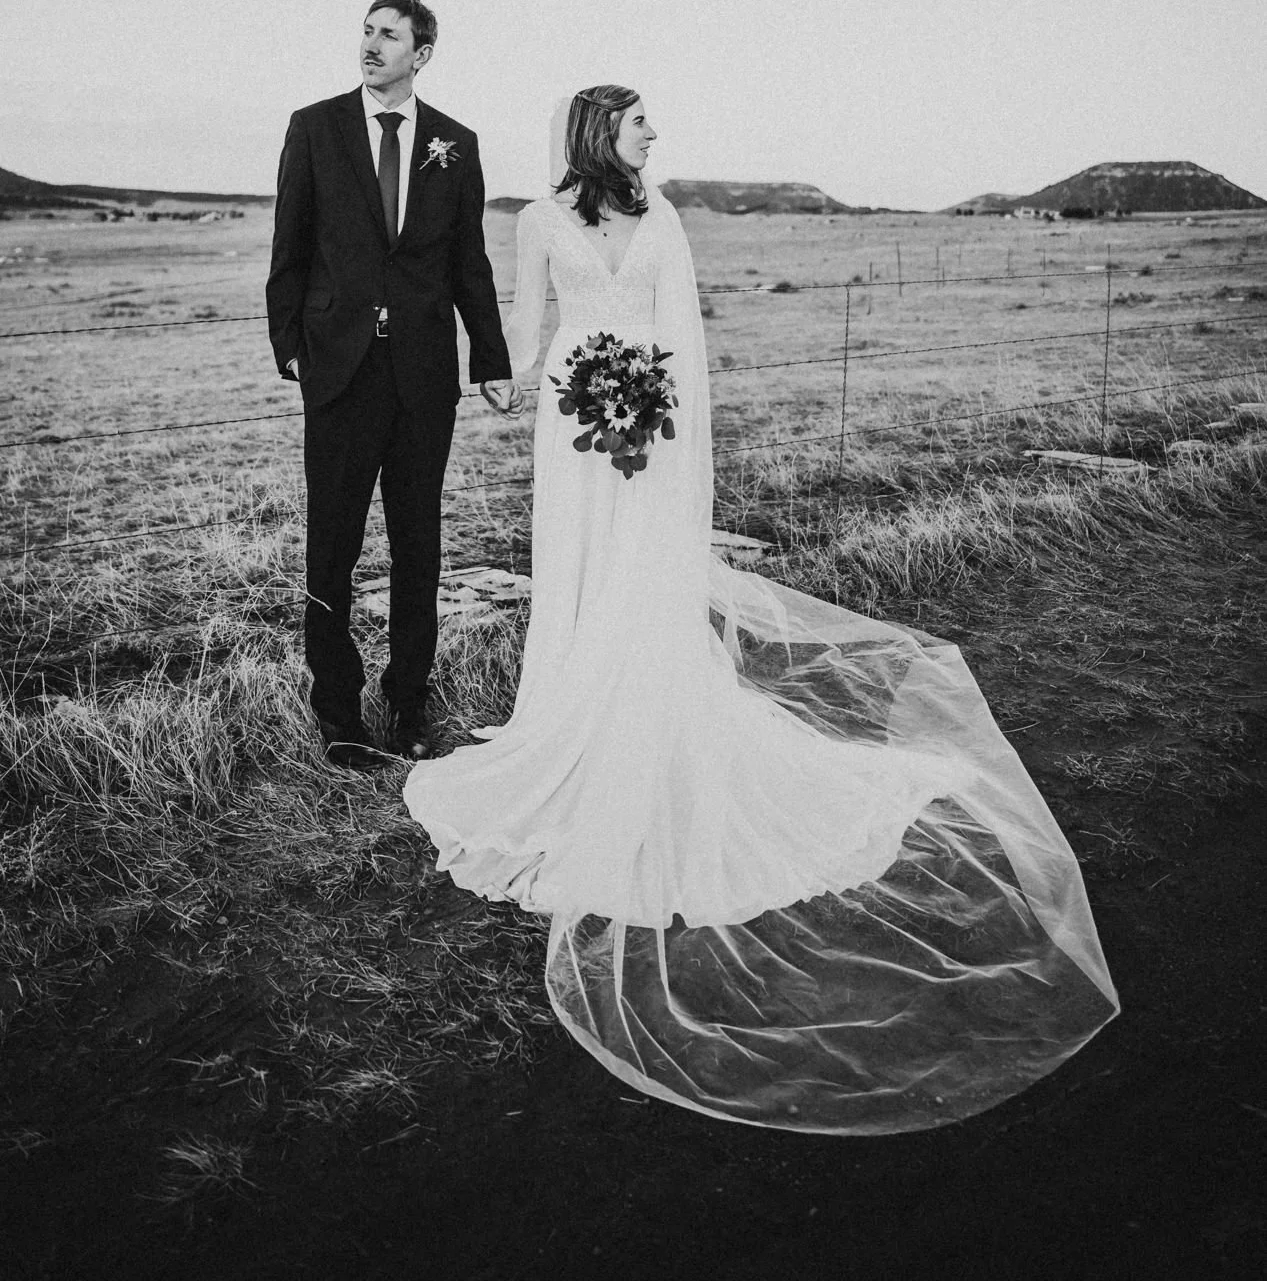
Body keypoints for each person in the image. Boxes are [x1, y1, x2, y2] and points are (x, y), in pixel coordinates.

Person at [404, 85, 1119, 1133]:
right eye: (640, 118)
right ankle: (568, 711)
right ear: (600, 126)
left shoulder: (662, 210)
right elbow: (526, 320)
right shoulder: (539, 219)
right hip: (570, 421)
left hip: (648, 413)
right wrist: (500, 379)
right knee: (579, 569)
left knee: (644, 573)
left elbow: (679, 334)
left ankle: (645, 708)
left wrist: (670, 425)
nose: (655, 132)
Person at [266, 0, 521, 769]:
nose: (371, 46)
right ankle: (339, 716)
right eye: (366, 32)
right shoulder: (314, 126)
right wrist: (291, 348)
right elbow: (291, 242)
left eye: (389, 35)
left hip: (421, 376)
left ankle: (410, 704)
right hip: (340, 374)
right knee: (331, 549)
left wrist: (490, 358)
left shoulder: (455, 142)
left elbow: (466, 261)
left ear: (423, 52)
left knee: (418, 547)